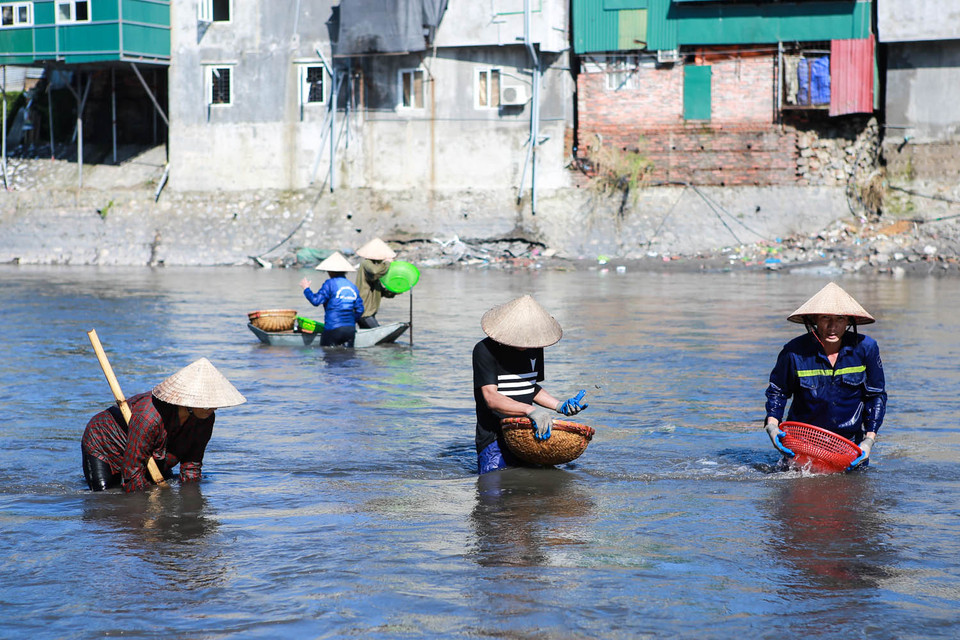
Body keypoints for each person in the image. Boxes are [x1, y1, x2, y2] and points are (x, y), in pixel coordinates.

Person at [763, 282, 887, 471]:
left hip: (849, 446)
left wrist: (868, 441)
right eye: (825, 318)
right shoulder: (794, 352)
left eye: (840, 319)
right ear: (814, 320)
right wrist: (772, 427)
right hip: (802, 443)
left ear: (849, 321)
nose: (832, 326)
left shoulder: (866, 349)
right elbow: (778, 391)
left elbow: (876, 395)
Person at [81, 357, 246, 492]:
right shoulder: (149, 417)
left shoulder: (206, 418)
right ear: (187, 401)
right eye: (207, 404)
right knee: (104, 498)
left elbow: (192, 466)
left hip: (153, 451)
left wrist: (192, 502)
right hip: (104, 443)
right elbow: (133, 472)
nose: (214, 408)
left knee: (161, 486)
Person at [472, 295, 590, 474]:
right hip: (494, 437)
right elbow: (491, 398)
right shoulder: (485, 350)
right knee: (492, 487)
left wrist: (559, 405)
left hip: (526, 433)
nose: (527, 343)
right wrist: (530, 410)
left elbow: (530, 386)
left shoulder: (534, 348)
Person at [300, 251, 365, 347]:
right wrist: (350, 321)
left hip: (333, 328)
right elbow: (360, 309)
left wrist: (306, 289)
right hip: (350, 330)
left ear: (330, 271)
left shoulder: (329, 284)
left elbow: (316, 301)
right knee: (349, 355)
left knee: (328, 353)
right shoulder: (352, 286)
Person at [354, 237, 397, 329]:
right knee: (378, 331)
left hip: (369, 312)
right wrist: (387, 263)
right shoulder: (367, 263)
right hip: (365, 312)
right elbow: (375, 271)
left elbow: (382, 292)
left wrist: (394, 291)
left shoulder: (375, 273)